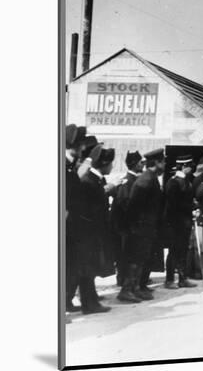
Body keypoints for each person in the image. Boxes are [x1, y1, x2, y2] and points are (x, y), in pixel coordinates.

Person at [78, 145, 115, 314]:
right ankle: (89, 304)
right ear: (104, 163)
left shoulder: (95, 180)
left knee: (91, 268)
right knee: (87, 269)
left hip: (94, 232)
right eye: (111, 163)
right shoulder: (88, 181)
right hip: (88, 233)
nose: (112, 167)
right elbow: (88, 211)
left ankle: (91, 301)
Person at [127, 148, 166, 300]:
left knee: (143, 258)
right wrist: (136, 228)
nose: (165, 165)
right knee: (137, 259)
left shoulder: (151, 178)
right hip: (140, 228)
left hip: (147, 227)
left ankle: (137, 287)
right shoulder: (145, 180)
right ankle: (128, 290)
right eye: (163, 162)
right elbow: (133, 206)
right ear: (156, 162)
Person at [113, 151, 144, 303]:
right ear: (134, 164)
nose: (143, 165)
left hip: (133, 227)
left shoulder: (134, 180)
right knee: (129, 259)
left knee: (134, 258)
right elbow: (124, 205)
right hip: (128, 228)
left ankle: (133, 287)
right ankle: (126, 290)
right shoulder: (127, 181)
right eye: (140, 163)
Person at [163, 155, 198, 289]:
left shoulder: (186, 181)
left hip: (185, 222)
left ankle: (183, 278)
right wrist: (190, 207)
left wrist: (193, 205)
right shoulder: (173, 182)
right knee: (173, 251)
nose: (192, 168)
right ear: (184, 167)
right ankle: (169, 280)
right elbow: (172, 205)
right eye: (190, 166)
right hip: (175, 224)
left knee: (183, 250)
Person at [65, 124, 87, 313]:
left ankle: (66, 301)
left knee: (71, 265)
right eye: (81, 146)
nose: (83, 150)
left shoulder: (70, 166)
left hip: (72, 227)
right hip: (66, 227)